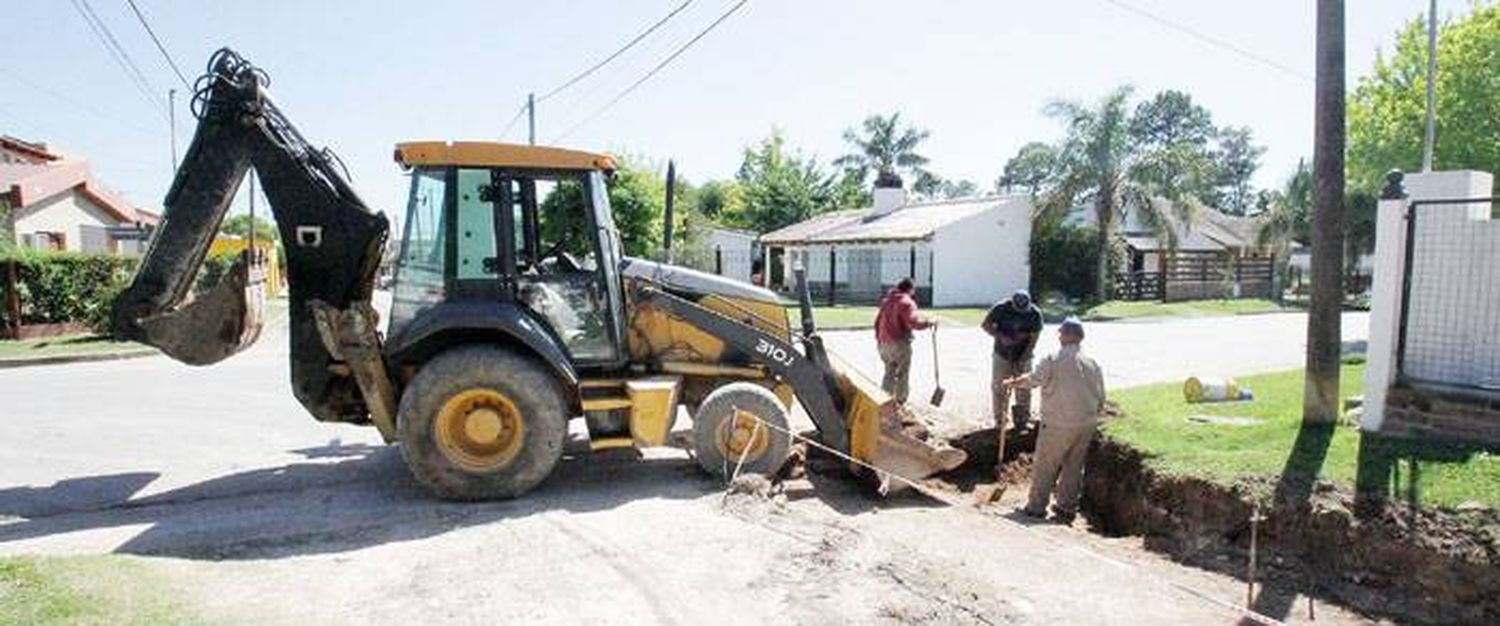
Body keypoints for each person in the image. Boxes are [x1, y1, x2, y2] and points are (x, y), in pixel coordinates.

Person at [1003, 317, 1105, 524]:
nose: (1059, 336)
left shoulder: (1053, 358)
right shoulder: (1092, 362)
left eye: (1061, 333)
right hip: (1086, 423)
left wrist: (1013, 383)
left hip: (1058, 423)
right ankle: (1066, 508)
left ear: (1067, 335)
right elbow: (1102, 397)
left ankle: (1036, 507)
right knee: (1074, 467)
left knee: (1046, 465)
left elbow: (1034, 379)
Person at [982, 289, 1043, 432]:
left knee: (1024, 387)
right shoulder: (1001, 308)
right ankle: (1000, 420)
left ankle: (1022, 420)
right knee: (999, 386)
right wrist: (1000, 336)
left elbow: (1034, 339)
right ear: (1012, 304)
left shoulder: (1035, 314)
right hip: (1002, 354)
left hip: (1024, 354)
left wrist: (1023, 357)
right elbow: (985, 325)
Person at [873, 277, 936, 404]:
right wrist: (929, 322)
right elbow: (914, 322)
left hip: (883, 343)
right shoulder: (906, 302)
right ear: (910, 289)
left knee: (889, 373)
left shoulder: (886, 301)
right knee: (902, 373)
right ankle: (900, 403)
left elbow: (877, 322)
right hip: (899, 343)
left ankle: (884, 402)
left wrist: (879, 340)